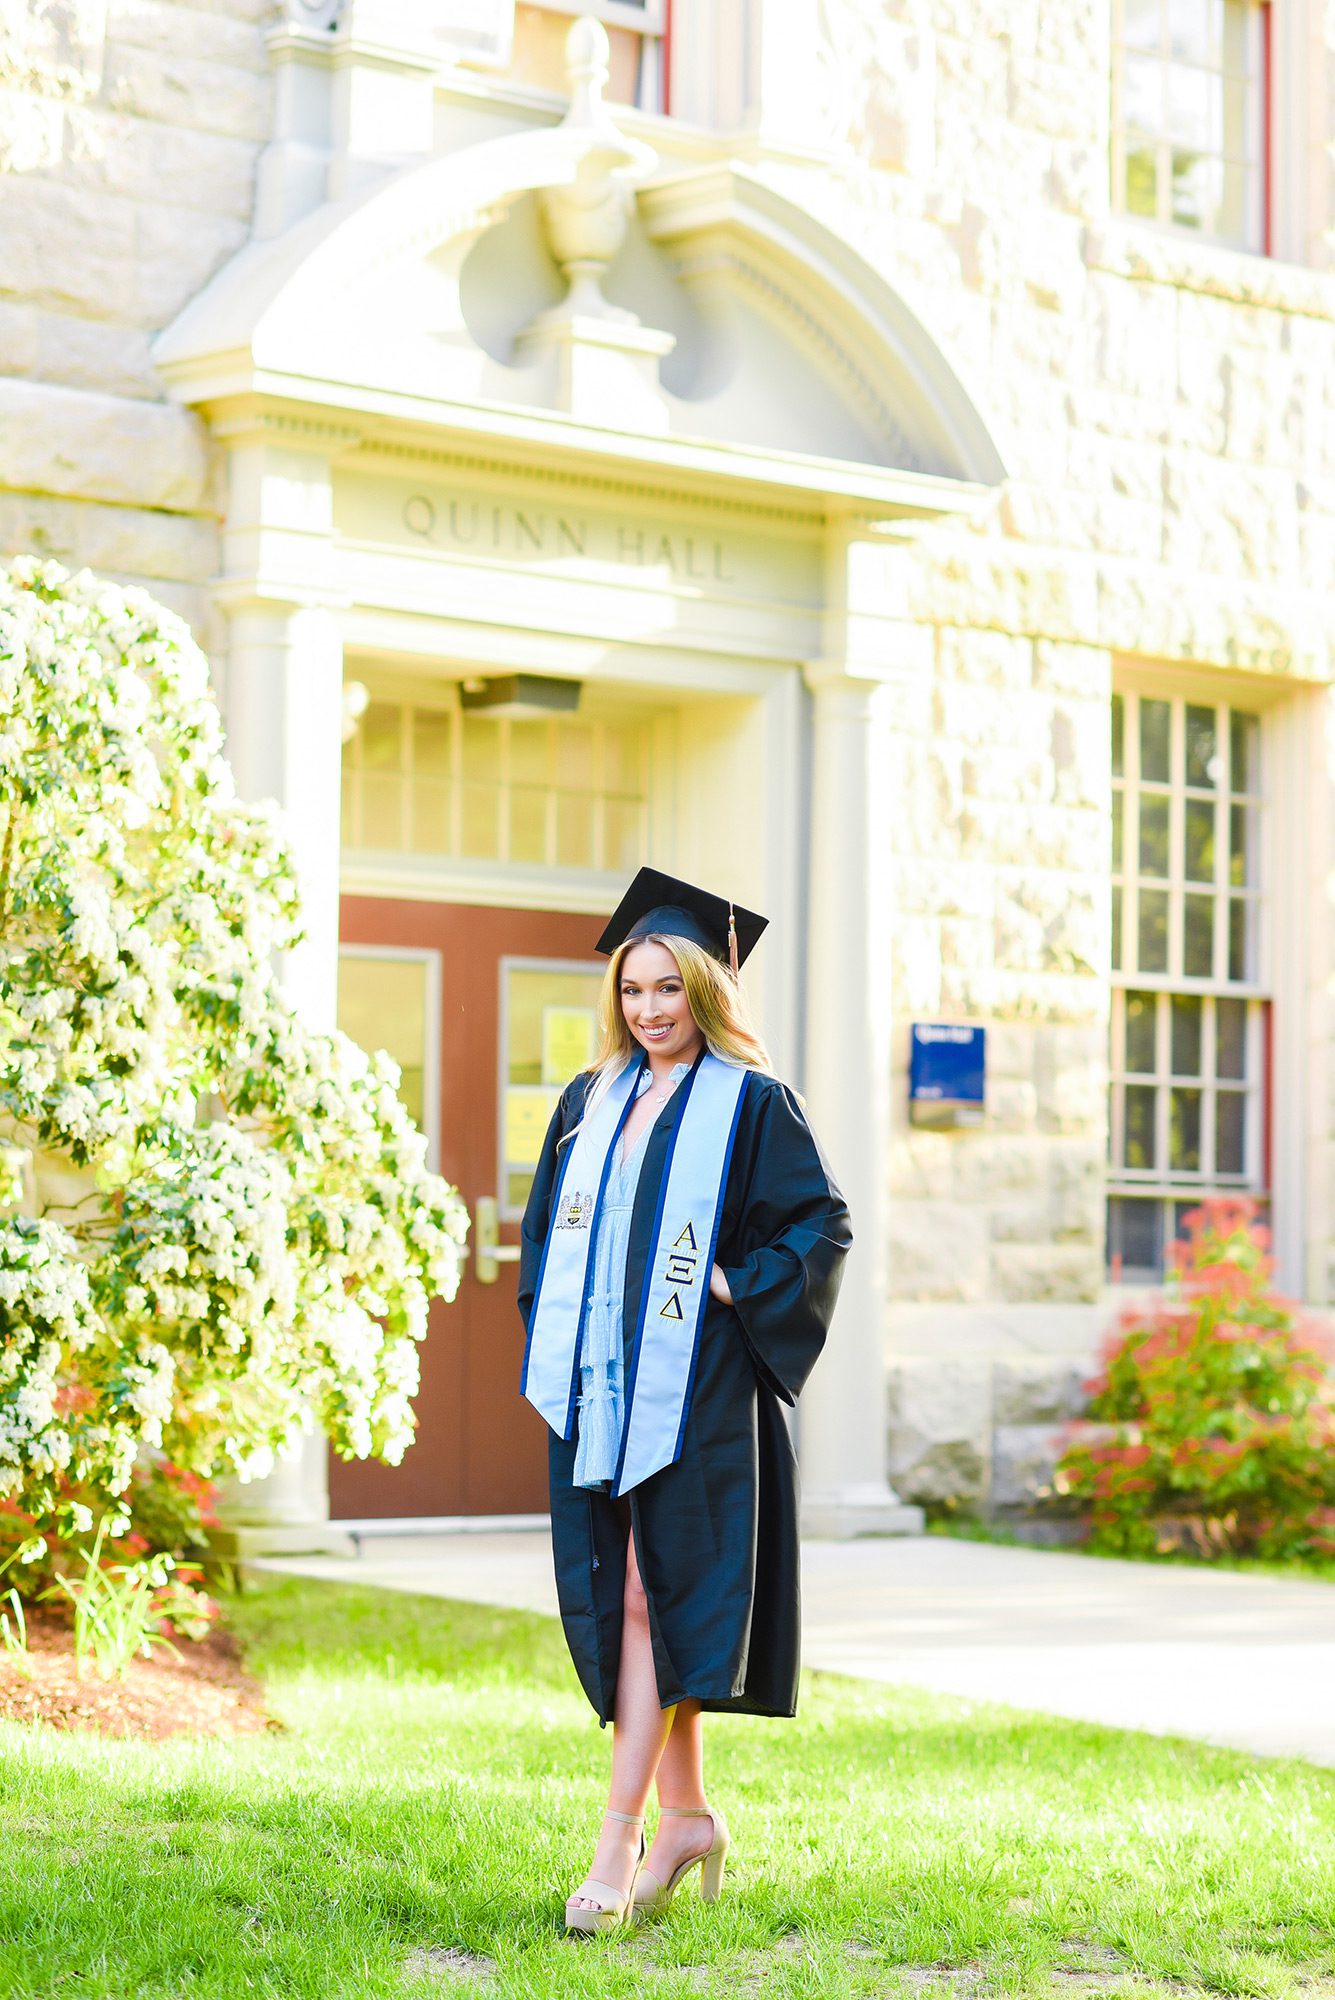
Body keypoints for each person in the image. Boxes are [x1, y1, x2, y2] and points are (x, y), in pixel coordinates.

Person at [518, 867, 852, 1935]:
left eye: (669, 988)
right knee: (639, 1596)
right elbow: (544, 1240)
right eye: (632, 990)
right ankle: (688, 1817)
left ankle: (616, 1845)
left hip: (699, 1392)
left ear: (707, 990)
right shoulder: (587, 1101)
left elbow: (819, 1227)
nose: (650, 1009)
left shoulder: (752, 1103)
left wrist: (728, 1282)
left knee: (646, 1597)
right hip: (604, 1386)